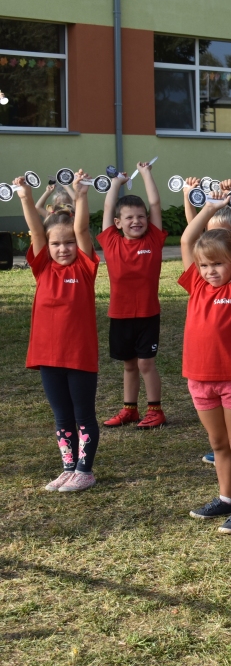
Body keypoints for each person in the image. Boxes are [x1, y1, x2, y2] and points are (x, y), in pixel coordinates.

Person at [179, 191, 231, 534]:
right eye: (205, 265)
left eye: (217, 264)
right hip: (199, 379)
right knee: (218, 445)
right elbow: (187, 238)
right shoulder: (196, 284)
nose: (210, 271)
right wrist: (210, 207)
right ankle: (227, 498)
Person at [17, 170, 101, 493]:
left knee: (82, 414)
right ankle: (68, 468)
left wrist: (81, 195)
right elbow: (36, 229)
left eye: (68, 244)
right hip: (48, 356)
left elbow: (80, 228)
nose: (63, 248)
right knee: (61, 414)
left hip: (79, 356)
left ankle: (86, 470)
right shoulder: (43, 268)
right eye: (56, 243)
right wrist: (25, 196)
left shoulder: (84, 267)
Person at [99, 161, 169, 430]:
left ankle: (155, 410)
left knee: (146, 364)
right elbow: (107, 208)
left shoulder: (153, 240)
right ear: (118, 223)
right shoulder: (111, 241)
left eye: (140, 217)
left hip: (148, 314)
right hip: (120, 315)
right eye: (129, 217)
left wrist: (148, 174)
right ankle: (129, 409)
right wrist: (116, 183)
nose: (136, 221)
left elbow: (155, 204)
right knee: (129, 365)